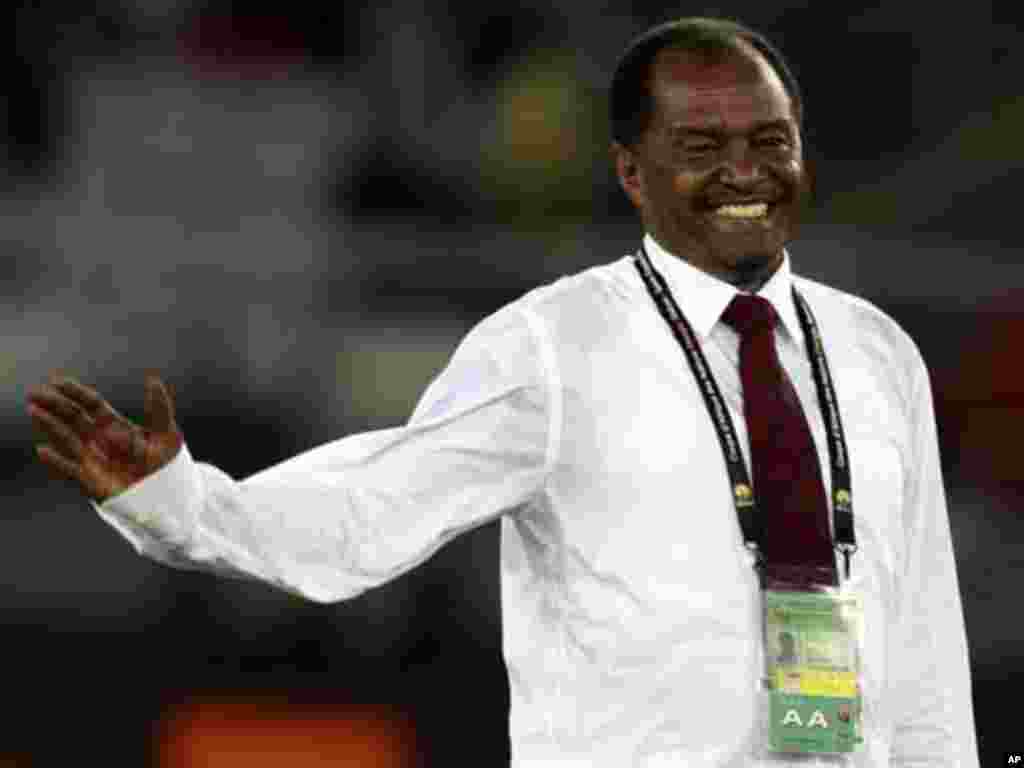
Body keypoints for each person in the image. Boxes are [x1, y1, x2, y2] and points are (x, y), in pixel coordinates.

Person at [27, 17, 977, 767]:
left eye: (771, 139)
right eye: (702, 143)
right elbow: (374, 502)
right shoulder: (554, 346)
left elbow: (924, 635)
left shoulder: (877, 353)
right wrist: (183, 505)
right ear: (631, 172)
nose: (744, 170)